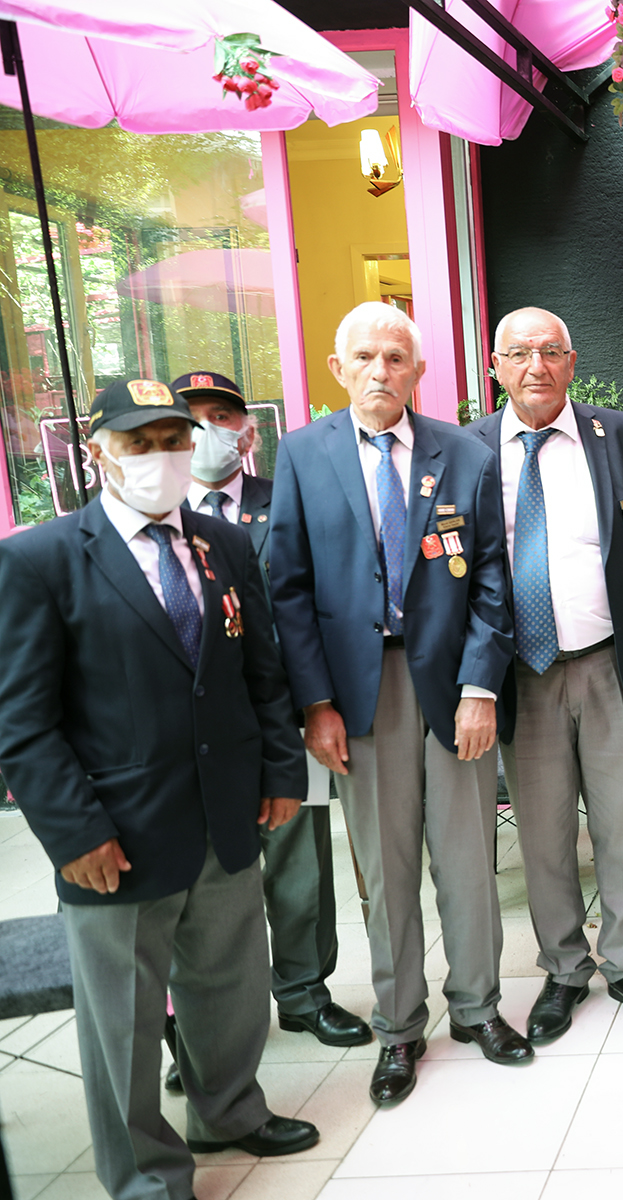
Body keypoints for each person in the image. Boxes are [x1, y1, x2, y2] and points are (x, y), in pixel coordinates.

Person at [0, 378, 319, 1199]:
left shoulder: (224, 544)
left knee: (229, 985)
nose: (162, 457)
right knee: (127, 1019)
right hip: (117, 832)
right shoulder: (41, 559)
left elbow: (261, 673)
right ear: (97, 452)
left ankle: (229, 1110)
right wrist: (73, 833)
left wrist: (282, 773)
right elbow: (23, 721)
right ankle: (145, 1173)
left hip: (227, 810)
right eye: (138, 444)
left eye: (173, 440)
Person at [268, 302, 526, 1106]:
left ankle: (478, 1008)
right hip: (357, 691)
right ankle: (399, 1027)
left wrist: (481, 687)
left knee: (466, 860)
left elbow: (492, 577)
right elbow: (288, 588)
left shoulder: (464, 454)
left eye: (395, 357)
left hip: (451, 686)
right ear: (337, 369)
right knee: (386, 871)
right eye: (365, 357)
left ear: (418, 371)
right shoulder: (302, 455)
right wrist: (315, 703)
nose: (380, 370)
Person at [467, 307, 623, 1035]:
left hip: (608, 664)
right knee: (543, 831)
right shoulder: (468, 450)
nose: (536, 366)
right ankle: (564, 968)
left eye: (551, 351)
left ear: (572, 361)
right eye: (519, 353)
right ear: (496, 367)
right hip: (521, 674)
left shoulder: (621, 436)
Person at [175, 370, 370, 1070]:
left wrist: (317, 704)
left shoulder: (284, 498)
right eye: (192, 418)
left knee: (298, 867)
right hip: (195, 733)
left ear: (248, 429)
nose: (208, 430)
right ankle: (201, 1026)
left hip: (283, 715)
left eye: (222, 415)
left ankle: (304, 992)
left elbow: (307, 599)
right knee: (203, 880)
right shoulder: (154, 517)